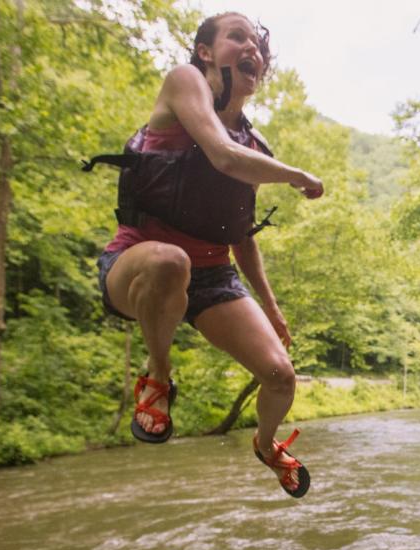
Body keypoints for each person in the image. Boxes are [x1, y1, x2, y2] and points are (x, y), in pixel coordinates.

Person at [92, 12, 323, 498]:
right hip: (137, 261)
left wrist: (273, 307)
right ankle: (158, 378)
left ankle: (266, 446)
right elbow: (219, 153)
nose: (252, 49)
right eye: (237, 37)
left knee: (280, 375)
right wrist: (296, 175)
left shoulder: (255, 145)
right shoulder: (183, 82)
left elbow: (241, 236)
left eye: (258, 45)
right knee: (170, 261)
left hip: (213, 277)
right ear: (205, 52)